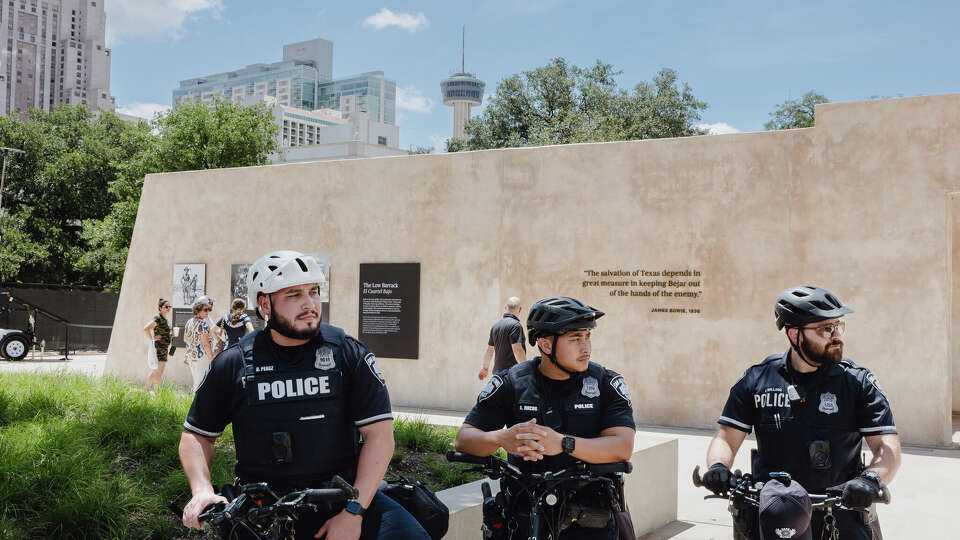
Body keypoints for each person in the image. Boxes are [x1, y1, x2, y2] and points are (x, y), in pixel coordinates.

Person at [179, 250, 429, 540]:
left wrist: (353, 513)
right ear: (264, 303)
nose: (309, 303)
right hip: (264, 508)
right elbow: (197, 435)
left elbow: (380, 436)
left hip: (345, 497)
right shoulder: (234, 362)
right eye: (294, 294)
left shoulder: (348, 353)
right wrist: (201, 491)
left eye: (313, 291)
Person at [702, 286, 901, 540]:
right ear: (794, 334)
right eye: (824, 329)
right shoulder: (758, 378)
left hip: (841, 511)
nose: (836, 335)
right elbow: (726, 437)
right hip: (774, 512)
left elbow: (887, 447)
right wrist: (719, 466)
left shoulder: (856, 382)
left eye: (838, 326)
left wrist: (871, 479)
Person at [455, 296, 636, 539]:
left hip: (591, 519)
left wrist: (563, 443)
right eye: (575, 339)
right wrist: (501, 438)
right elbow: (464, 439)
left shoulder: (605, 382)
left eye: (587, 337)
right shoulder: (512, 382)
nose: (586, 348)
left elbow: (622, 447)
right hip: (524, 514)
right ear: (546, 344)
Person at [478, 296, 526, 380]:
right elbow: (517, 350)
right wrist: (525, 370)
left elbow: (489, 350)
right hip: (511, 376)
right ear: (520, 309)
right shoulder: (516, 326)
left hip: (497, 377)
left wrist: (485, 368)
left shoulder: (495, 326)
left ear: (506, 307)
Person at [183, 298, 216, 391]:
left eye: (208, 309)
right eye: (205, 310)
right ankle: (197, 404)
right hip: (201, 358)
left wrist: (194, 343)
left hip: (191, 356)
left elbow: (185, 339)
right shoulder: (203, 324)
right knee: (201, 384)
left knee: (197, 382)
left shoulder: (189, 322)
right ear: (198, 311)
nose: (207, 312)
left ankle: (194, 403)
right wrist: (212, 357)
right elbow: (205, 344)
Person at [143, 298, 173, 391]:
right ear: (160, 308)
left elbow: (164, 334)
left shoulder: (165, 320)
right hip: (159, 348)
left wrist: (170, 335)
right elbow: (146, 328)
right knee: (157, 371)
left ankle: (146, 390)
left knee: (158, 372)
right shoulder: (158, 318)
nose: (168, 308)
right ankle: (154, 392)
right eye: (166, 306)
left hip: (164, 348)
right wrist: (152, 339)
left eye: (169, 306)